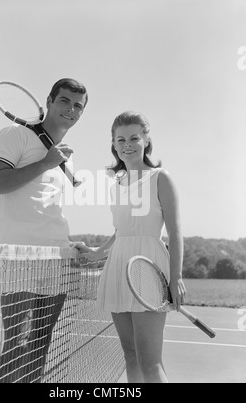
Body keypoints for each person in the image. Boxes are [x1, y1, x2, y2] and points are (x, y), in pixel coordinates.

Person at [0, 78, 88, 383]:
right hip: (21, 256)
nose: (71, 109)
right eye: (65, 101)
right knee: (18, 345)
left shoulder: (61, 153)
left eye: (78, 105)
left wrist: (68, 242)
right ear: (50, 101)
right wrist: (45, 163)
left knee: (41, 346)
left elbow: (44, 206)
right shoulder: (14, 135)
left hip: (57, 257)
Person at [77, 111, 186, 383]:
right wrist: (97, 253)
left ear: (146, 140)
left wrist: (177, 279)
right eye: (120, 139)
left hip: (149, 268)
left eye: (134, 138)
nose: (128, 144)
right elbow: (120, 231)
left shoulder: (161, 178)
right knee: (130, 356)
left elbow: (175, 232)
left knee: (150, 362)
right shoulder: (118, 183)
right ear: (113, 144)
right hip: (118, 268)